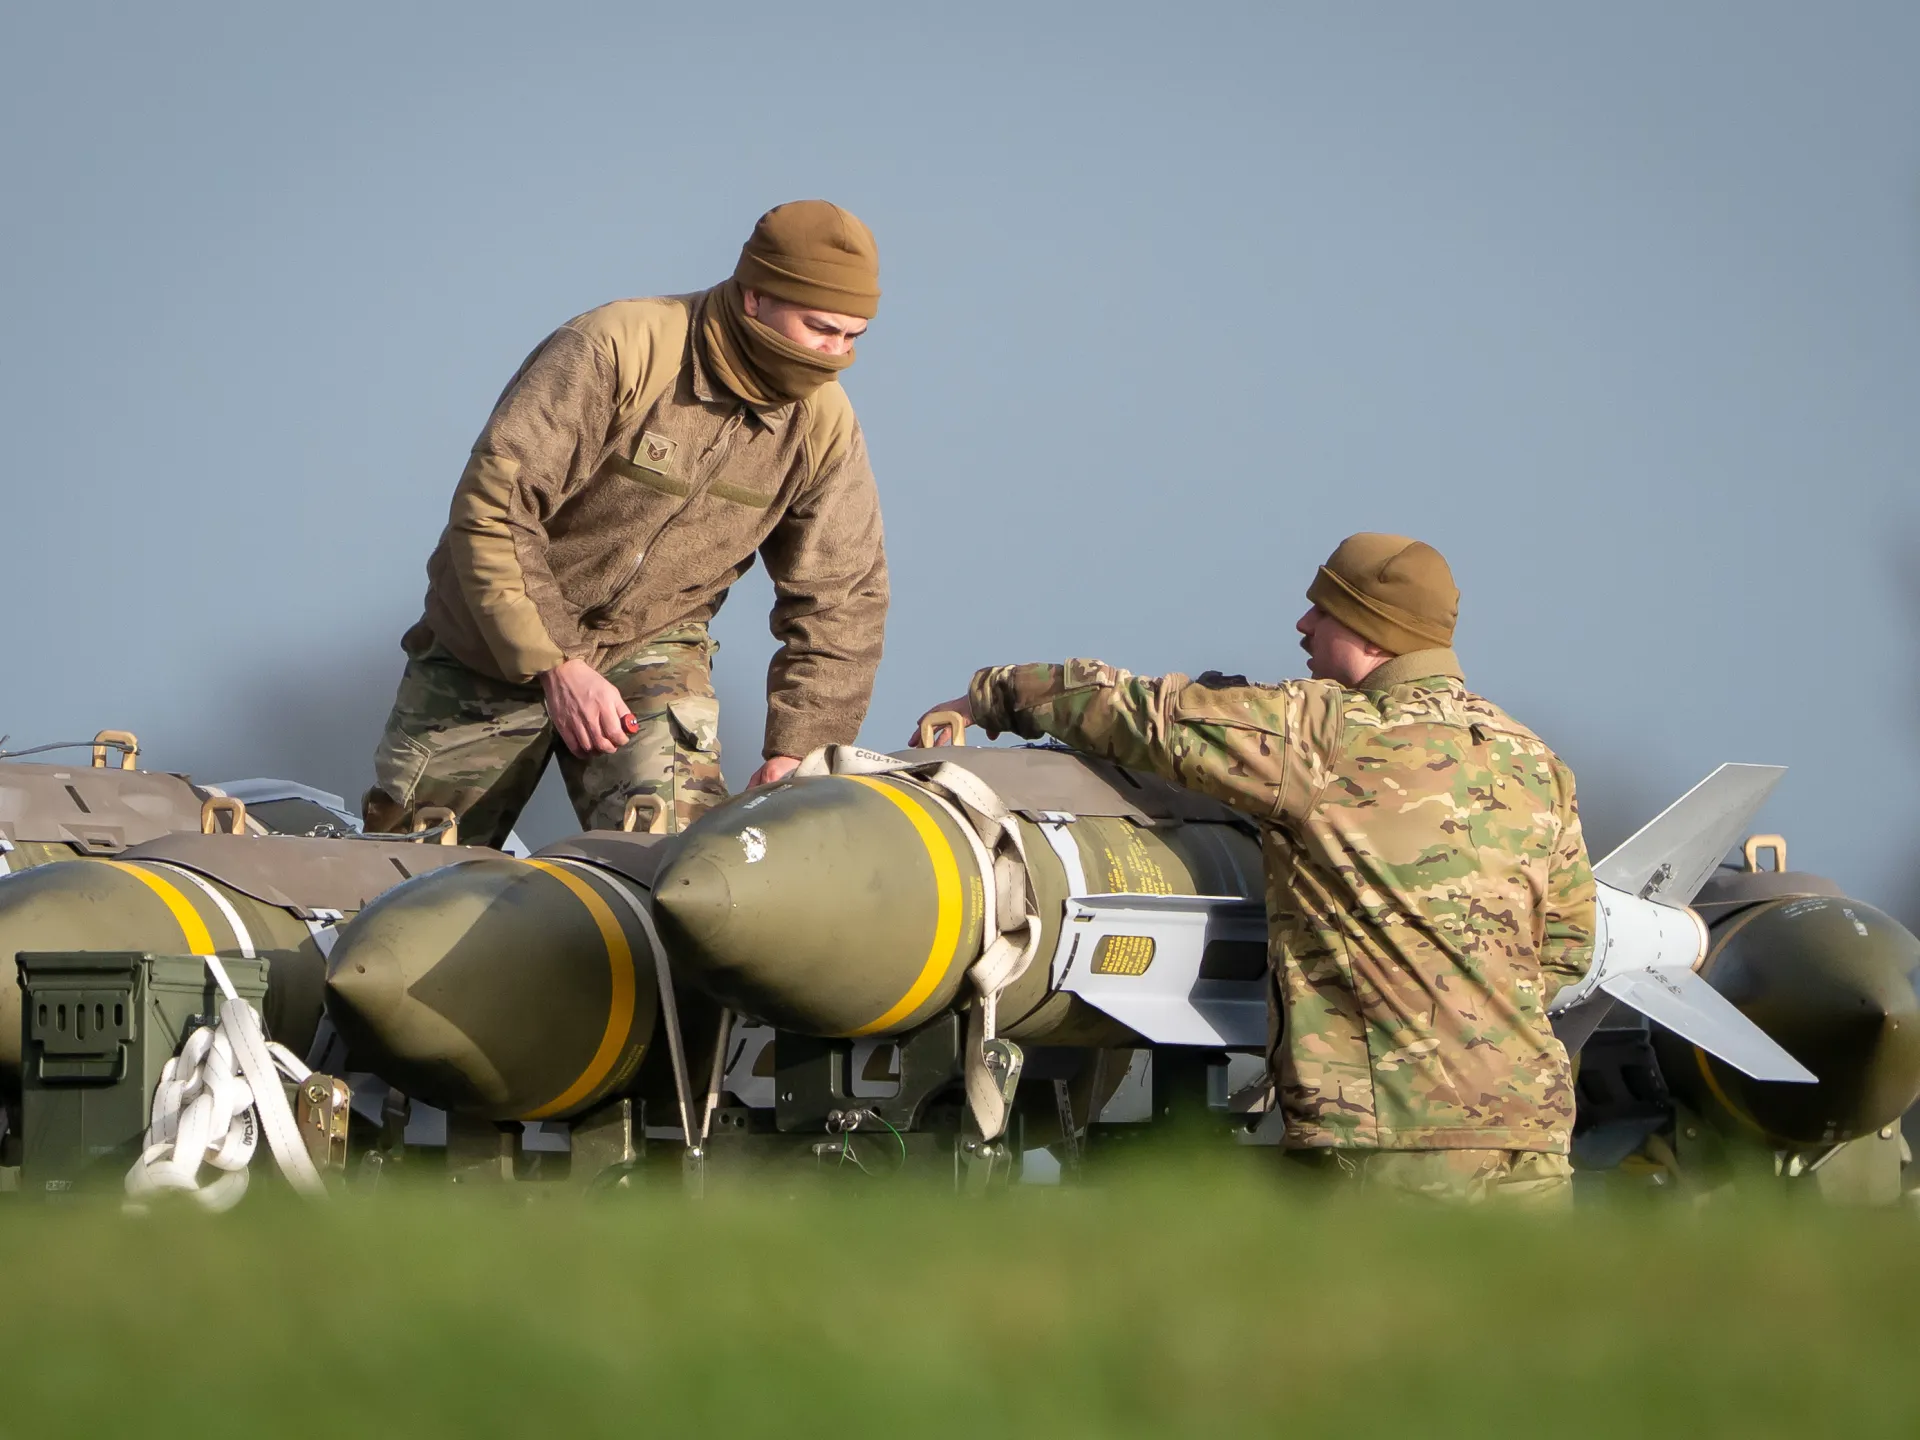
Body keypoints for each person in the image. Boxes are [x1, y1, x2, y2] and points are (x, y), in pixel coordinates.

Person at [912, 534, 1595, 1204]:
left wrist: (990, 696)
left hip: (1392, 1143)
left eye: (1324, 609)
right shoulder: (1533, 760)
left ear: (1372, 629)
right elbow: (1567, 947)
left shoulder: (1323, 733)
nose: (1303, 624)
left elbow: (1141, 713)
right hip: (1532, 1137)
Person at [364, 201, 890, 846]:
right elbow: (497, 509)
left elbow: (843, 595)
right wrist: (556, 663)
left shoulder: (824, 425)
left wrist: (801, 749)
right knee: (415, 868)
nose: (836, 354)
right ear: (755, 297)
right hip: (488, 642)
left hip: (650, 643)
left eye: (853, 337)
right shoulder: (617, 348)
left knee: (683, 862)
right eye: (820, 328)